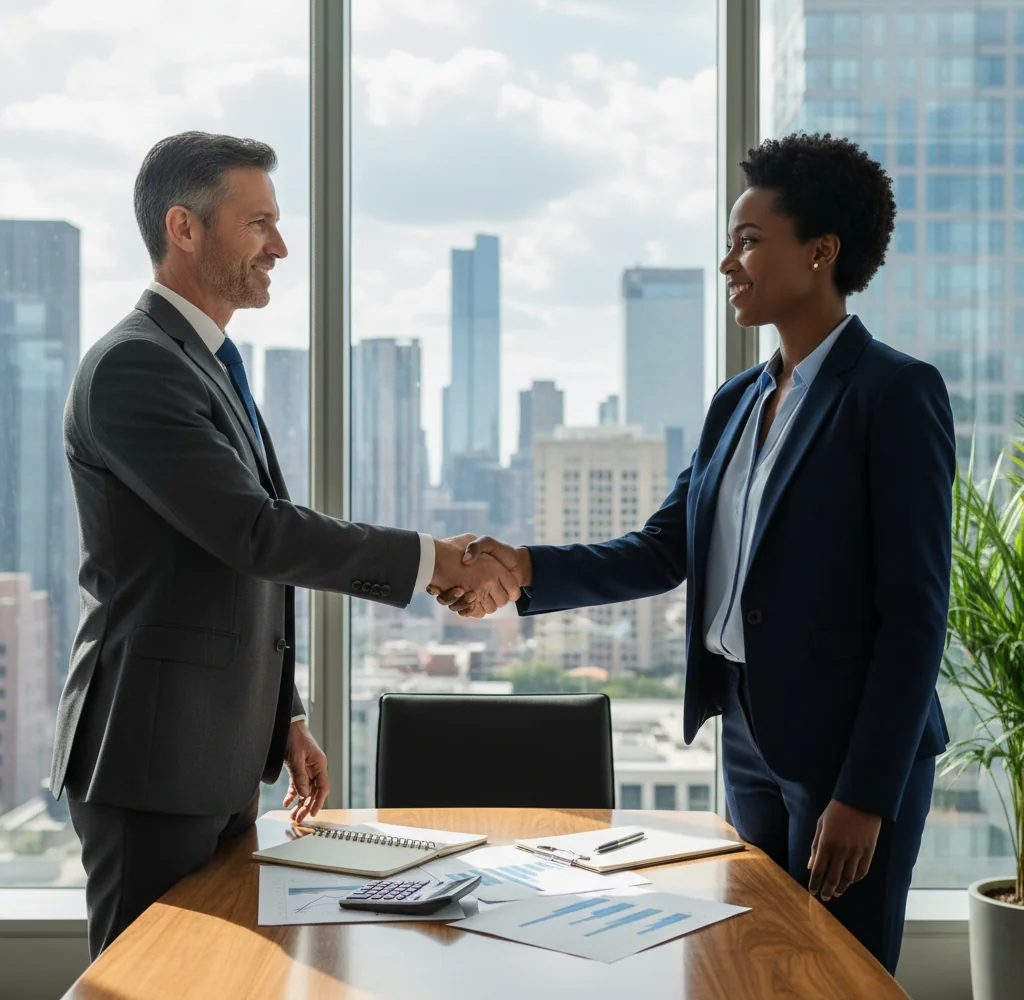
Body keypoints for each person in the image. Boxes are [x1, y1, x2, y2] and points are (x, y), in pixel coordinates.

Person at [431, 132, 954, 974]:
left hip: (848, 750)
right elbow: (665, 547)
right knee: (753, 969)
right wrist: (524, 567)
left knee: (836, 978)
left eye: (749, 241)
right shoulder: (737, 401)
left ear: (821, 253)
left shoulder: (894, 394)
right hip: (749, 733)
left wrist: (865, 794)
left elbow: (917, 614)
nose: (728, 265)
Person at [51, 131, 518, 959]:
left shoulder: (202, 361)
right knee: (148, 981)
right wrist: (435, 561)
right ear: (184, 229)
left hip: (208, 752)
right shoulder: (136, 366)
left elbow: (219, 564)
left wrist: (283, 715)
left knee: (214, 979)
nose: (281, 246)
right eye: (258, 223)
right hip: (152, 760)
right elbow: (257, 533)